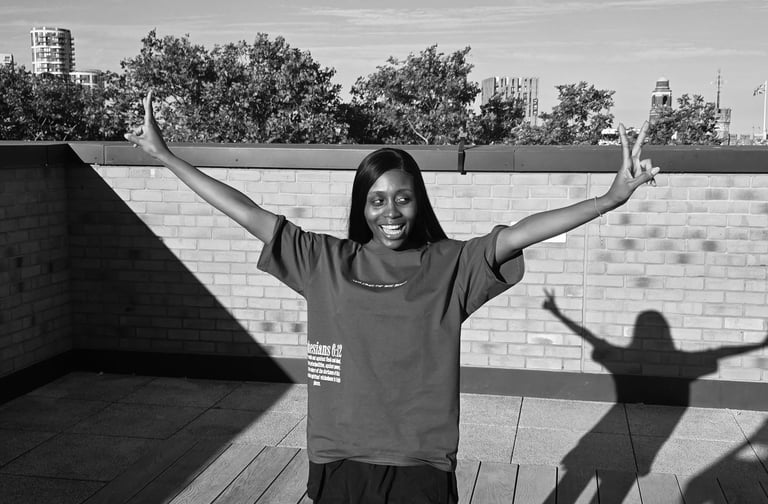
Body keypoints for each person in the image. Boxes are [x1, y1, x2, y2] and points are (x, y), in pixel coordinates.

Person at [125, 91, 660, 504]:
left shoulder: (452, 265)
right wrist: (167, 156)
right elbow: (245, 212)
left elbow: (521, 232)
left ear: (418, 202)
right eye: (377, 200)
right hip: (337, 457)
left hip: (421, 463)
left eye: (403, 198)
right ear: (362, 207)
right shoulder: (324, 262)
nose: (391, 211)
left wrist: (609, 199)